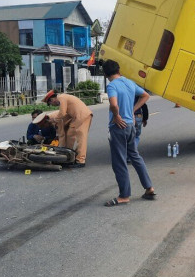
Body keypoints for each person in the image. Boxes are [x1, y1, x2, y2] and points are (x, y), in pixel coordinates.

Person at [102, 59, 156, 206]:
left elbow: (113, 104)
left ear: (105, 73)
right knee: (135, 156)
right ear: (119, 70)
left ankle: (124, 196)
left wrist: (117, 116)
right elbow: (145, 95)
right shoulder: (129, 82)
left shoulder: (112, 86)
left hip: (119, 127)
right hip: (131, 126)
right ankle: (149, 187)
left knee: (119, 161)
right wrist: (132, 110)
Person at [42, 89, 93, 168]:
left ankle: (81, 161)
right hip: (77, 118)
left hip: (82, 116)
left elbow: (62, 113)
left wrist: (54, 120)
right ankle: (69, 156)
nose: (52, 105)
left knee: (81, 139)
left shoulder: (62, 98)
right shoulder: (63, 98)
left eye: (50, 103)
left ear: (52, 99)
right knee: (69, 134)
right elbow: (65, 114)